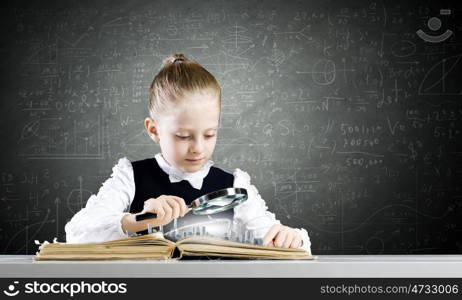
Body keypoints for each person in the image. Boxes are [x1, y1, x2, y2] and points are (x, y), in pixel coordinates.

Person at [65, 54, 311, 253]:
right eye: (183, 136)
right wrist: (139, 218)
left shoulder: (234, 185)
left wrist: (290, 238)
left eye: (210, 134)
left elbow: (272, 237)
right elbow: (77, 234)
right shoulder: (130, 177)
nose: (198, 148)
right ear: (154, 130)